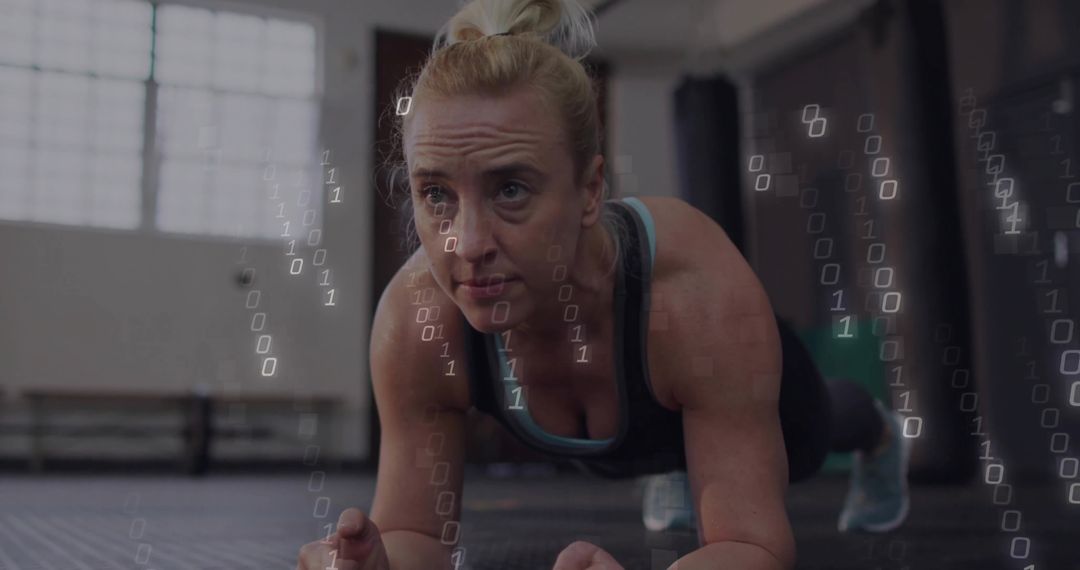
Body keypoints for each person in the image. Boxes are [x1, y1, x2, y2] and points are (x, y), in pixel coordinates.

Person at [296, 1, 910, 569]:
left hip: (734, 389)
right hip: (641, 415)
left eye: (511, 189)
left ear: (590, 191)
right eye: (436, 194)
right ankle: (683, 462)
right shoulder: (417, 322)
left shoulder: (695, 296)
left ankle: (877, 432)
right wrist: (374, 564)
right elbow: (419, 535)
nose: (468, 244)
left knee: (823, 426)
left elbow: (752, 547)